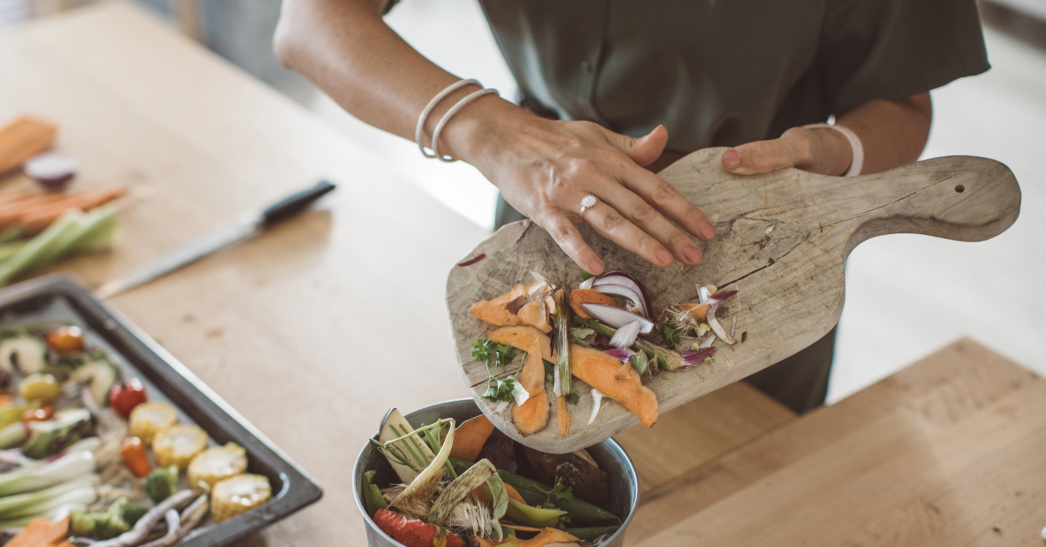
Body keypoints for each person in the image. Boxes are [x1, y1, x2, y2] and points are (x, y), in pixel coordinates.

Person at [273, 0, 989, 413]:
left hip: (760, 259)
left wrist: (830, 155)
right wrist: (490, 131)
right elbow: (311, 21)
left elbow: (900, 97)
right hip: (545, 226)